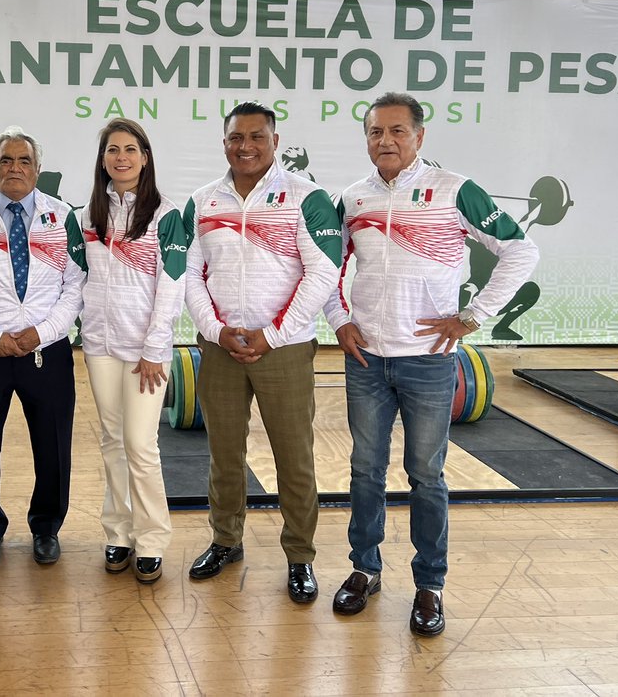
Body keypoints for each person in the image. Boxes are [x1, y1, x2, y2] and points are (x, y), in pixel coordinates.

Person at [324, 92, 539, 636]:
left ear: (419, 136)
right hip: (367, 358)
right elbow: (324, 268)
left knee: (426, 476)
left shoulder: (453, 190)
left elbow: (521, 250)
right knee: (365, 471)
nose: (385, 141)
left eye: (397, 131)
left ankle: (429, 585)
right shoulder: (351, 199)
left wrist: (473, 316)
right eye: (375, 132)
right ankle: (364, 570)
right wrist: (339, 320)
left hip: (429, 361)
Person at [183, 102, 342, 603]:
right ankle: (226, 540)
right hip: (220, 346)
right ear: (223, 142)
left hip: (284, 350)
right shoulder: (202, 202)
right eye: (235, 138)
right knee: (223, 454)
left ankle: (300, 556)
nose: (245, 146)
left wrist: (272, 334)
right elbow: (188, 274)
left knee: (294, 458)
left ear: (275, 141)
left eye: (256, 137)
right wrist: (213, 328)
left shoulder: (306, 198)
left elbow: (323, 273)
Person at [0, 126, 85, 568]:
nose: (15, 168)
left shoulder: (62, 217)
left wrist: (41, 333)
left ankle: (46, 527)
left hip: (47, 350)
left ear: (38, 170)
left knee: (53, 444)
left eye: (24, 161)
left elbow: (76, 285)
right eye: (6, 160)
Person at [79, 119, 186, 584]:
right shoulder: (88, 215)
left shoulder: (167, 215)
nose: (121, 157)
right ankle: (119, 533)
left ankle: (152, 539)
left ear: (145, 157)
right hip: (99, 346)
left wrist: (154, 347)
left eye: (130, 149)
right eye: (112, 150)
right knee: (111, 441)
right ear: (102, 159)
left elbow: (173, 284)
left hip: (145, 351)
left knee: (141, 445)